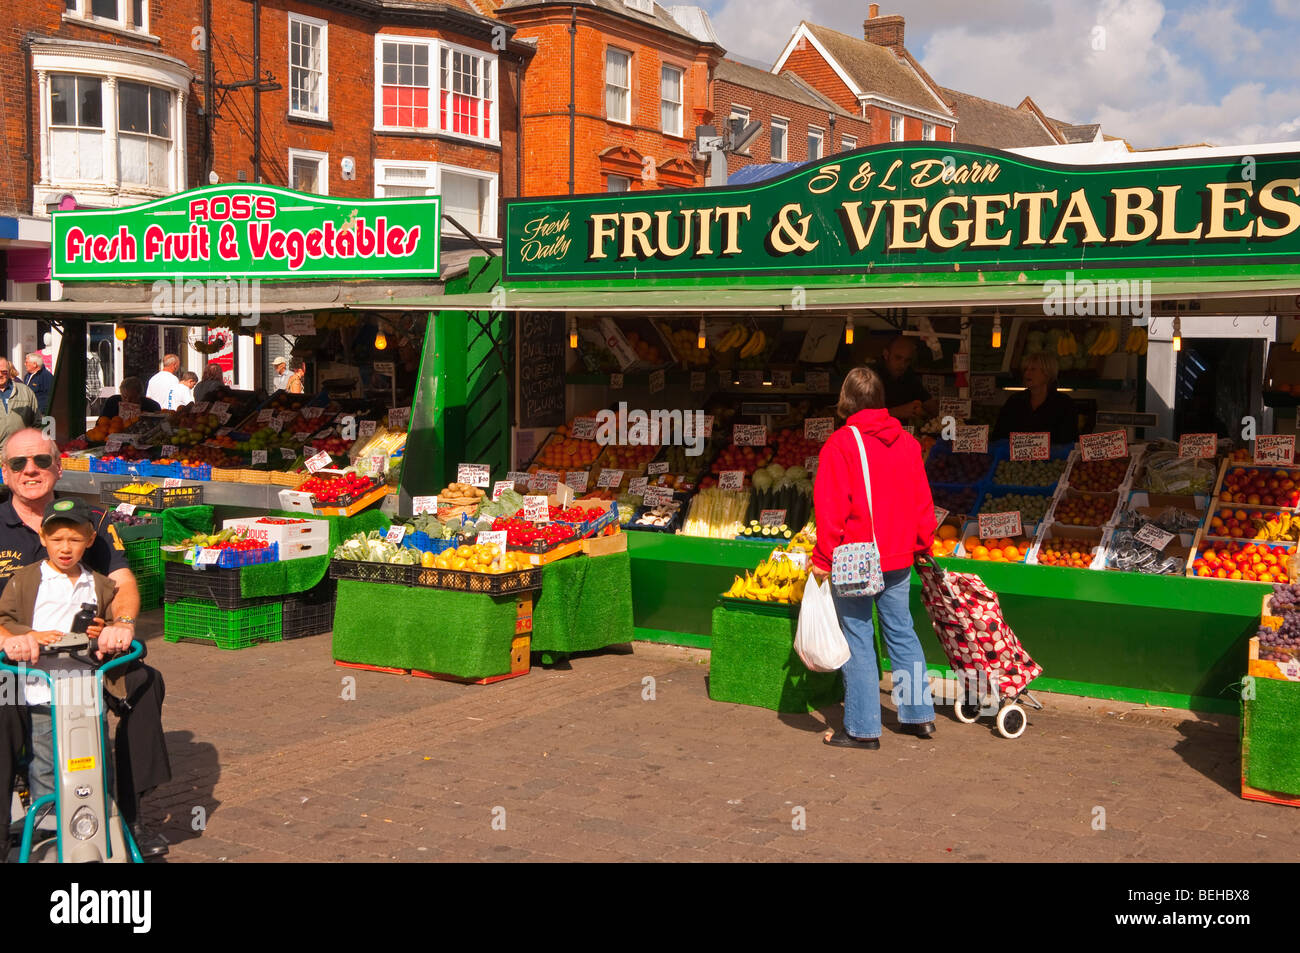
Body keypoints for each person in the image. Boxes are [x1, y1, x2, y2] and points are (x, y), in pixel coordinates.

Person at [0, 428, 170, 856]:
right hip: (13, 655)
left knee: (145, 683)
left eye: (41, 461)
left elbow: (124, 582)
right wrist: (7, 638)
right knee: (2, 710)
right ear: (5, 473)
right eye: (19, 464)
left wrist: (124, 623)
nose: (31, 470)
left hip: (85, 655)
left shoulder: (91, 520)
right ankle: (12, 828)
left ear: (59, 467)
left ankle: (125, 808)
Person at [811, 366, 938, 749]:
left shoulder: (841, 443)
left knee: (858, 637)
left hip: (855, 557)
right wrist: (923, 543)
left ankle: (863, 729)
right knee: (902, 632)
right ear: (881, 400)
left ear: (846, 401)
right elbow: (922, 501)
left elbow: (831, 507)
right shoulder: (909, 442)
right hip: (899, 553)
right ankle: (919, 716)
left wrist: (822, 556)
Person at [0, 498, 125, 829]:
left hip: (85, 687)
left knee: (93, 754)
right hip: (41, 688)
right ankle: (47, 825)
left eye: (74, 539)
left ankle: (100, 820)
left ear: (88, 540)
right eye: (56, 539)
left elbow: (109, 624)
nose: (65, 548)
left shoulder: (98, 583)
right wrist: (32, 635)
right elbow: (6, 620)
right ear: (43, 539)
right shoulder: (26, 580)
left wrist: (104, 630)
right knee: (45, 758)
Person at [991, 351, 1079, 446]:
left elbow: (1069, 440)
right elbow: (999, 436)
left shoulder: (1064, 404)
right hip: (1015, 459)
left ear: (1047, 374)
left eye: (1033, 369)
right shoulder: (1014, 401)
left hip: (1053, 459)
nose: (1027, 373)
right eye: (1025, 369)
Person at [871, 336, 940, 422]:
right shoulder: (871, 377)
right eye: (898, 358)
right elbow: (861, 418)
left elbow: (928, 402)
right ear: (886, 354)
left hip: (902, 432)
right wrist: (896, 412)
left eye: (907, 360)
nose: (902, 365)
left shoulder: (908, 375)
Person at [0, 359, 40, 449]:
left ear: (9, 372)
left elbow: (37, 422)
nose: (0, 375)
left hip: (20, 451)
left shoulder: (25, 391)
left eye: (4, 372)